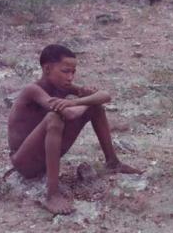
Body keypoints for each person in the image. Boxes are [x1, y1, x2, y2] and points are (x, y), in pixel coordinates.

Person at [8, 44, 142, 215]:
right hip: (24, 162)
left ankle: (113, 162)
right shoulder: (33, 90)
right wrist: (86, 100)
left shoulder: (63, 88)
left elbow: (105, 96)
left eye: (73, 72)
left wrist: (78, 100)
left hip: (42, 155)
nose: (70, 77)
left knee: (95, 107)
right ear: (47, 69)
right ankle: (52, 194)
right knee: (53, 119)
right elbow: (68, 114)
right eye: (65, 71)